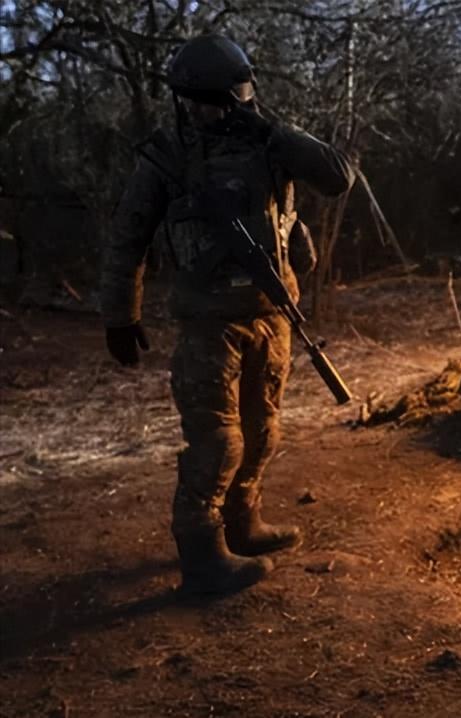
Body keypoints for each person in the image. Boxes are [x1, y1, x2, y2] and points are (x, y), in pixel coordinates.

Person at [99, 34, 354, 595]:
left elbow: (338, 177)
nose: (206, 113)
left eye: (218, 101)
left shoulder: (270, 143)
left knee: (263, 431)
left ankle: (244, 521)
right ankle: (202, 551)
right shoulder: (167, 156)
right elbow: (128, 236)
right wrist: (121, 313)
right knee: (217, 441)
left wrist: (267, 129)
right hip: (207, 324)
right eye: (199, 102)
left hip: (272, 313)